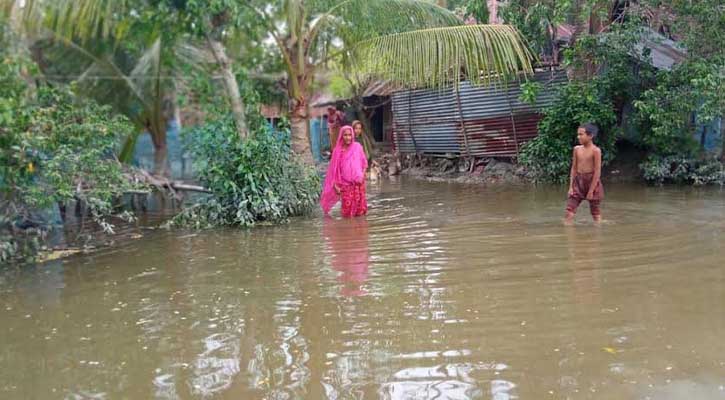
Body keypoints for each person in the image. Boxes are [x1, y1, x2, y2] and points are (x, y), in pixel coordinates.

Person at [320, 125, 368, 217]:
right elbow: (333, 171)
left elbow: (364, 163)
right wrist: (335, 186)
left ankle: (360, 230)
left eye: (350, 135)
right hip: (345, 186)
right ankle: (346, 230)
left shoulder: (357, 147)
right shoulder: (337, 151)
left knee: (360, 212)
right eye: (345, 135)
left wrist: (362, 176)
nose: (348, 137)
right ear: (341, 136)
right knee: (347, 213)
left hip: (358, 184)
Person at [565, 123, 604, 224]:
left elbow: (597, 172)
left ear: (590, 136)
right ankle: (569, 234)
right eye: (578, 134)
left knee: (595, 213)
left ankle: (598, 232)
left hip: (592, 182)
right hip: (578, 181)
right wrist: (571, 187)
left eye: (581, 134)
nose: (578, 137)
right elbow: (573, 168)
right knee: (569, 211)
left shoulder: (596, 151)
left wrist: (591, 191)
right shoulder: (576, 149)